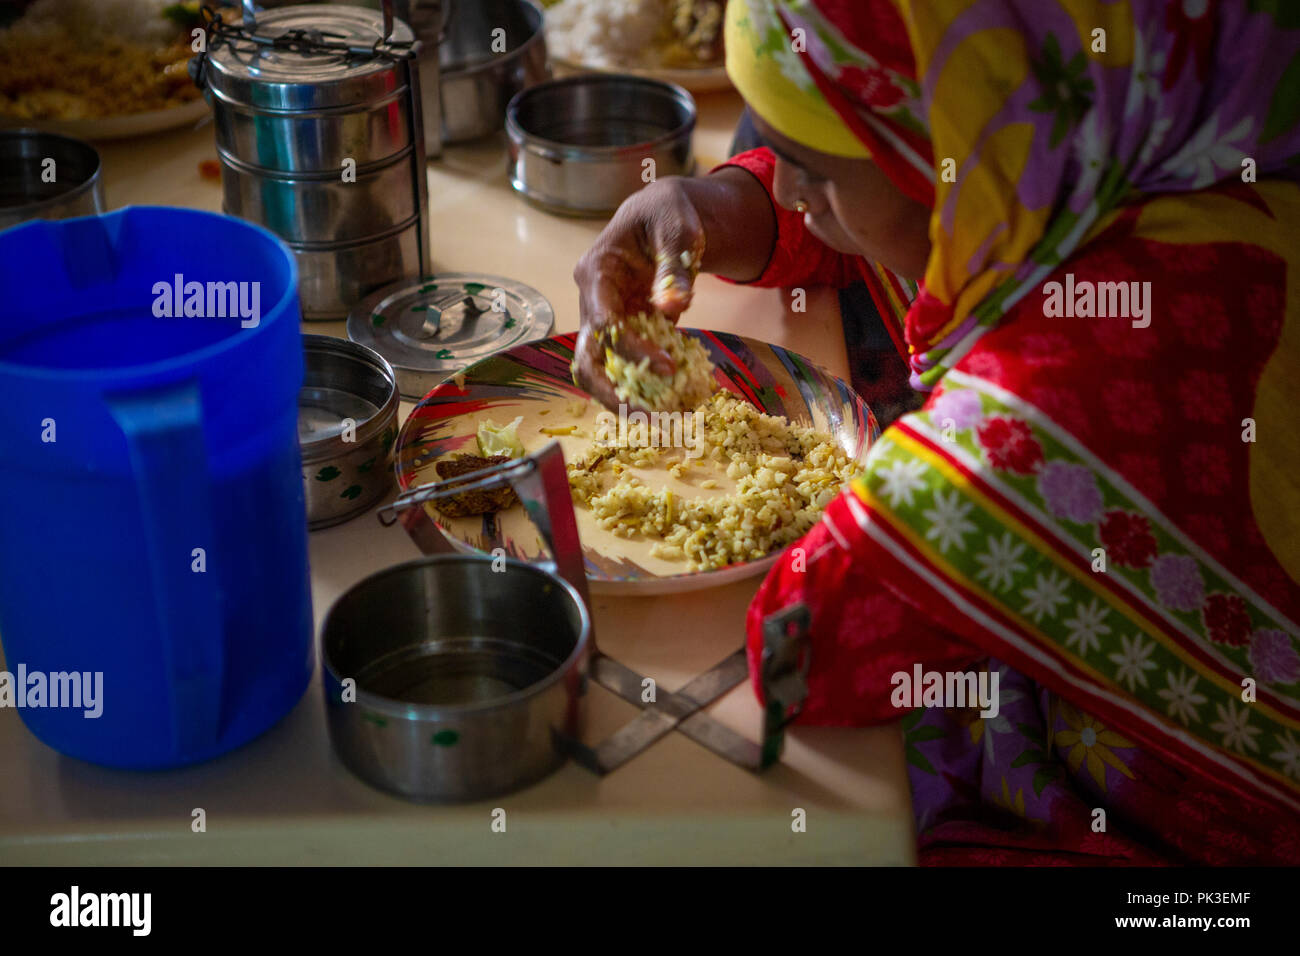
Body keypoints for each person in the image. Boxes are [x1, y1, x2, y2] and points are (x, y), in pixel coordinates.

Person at [572, 0, 1300, 864]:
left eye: (815, 170)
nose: (792, 192)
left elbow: (808, 655)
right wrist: (711, 204)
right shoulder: (1128, 159)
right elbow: (881, 225)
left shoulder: (1045, 402)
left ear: (951, 154)